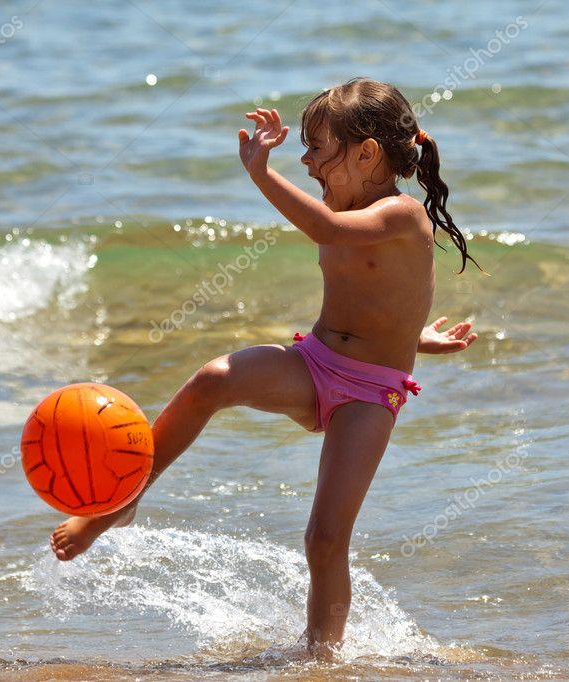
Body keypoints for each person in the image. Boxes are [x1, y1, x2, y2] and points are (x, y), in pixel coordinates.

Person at [49, 77, 479, 658]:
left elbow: (334, 238)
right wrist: (416, 334)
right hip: (315, 362)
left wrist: (260, 173)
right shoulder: (342, 205)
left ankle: (321, 659)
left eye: (317, 149)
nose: (305, 162)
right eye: (302, 149)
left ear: (368, 153)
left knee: (325, 538)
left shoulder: (400, 215)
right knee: (212, 380)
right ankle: (121, 501)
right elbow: (375, 298)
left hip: (369, 396)